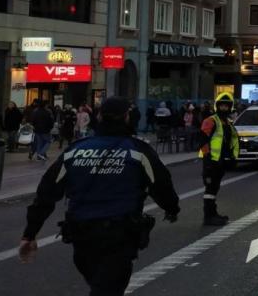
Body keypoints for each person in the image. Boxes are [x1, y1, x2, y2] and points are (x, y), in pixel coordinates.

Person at [18, 97, 180, 296]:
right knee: (107, 289)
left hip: (82, 235)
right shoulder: (137, 150)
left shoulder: (76, 150)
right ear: (127, 117)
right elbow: (161, 184)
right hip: (118, 235)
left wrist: (30, 233)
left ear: (99, 116)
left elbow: (46, 193)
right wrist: (172, 208)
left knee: (101, 285)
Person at [198, 93, 239, 226]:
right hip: (211, 161)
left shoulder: (228, 123)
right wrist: (207, 159)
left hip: (221, 161)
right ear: (217, 106)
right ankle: (208, 216)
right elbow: (203, 141)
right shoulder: (211, 120)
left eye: (226, 106)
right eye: (222, 105)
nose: (224, 108)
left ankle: (213, 214)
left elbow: (231, 141)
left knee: (214, 188)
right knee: (210, 189)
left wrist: (233, 157)